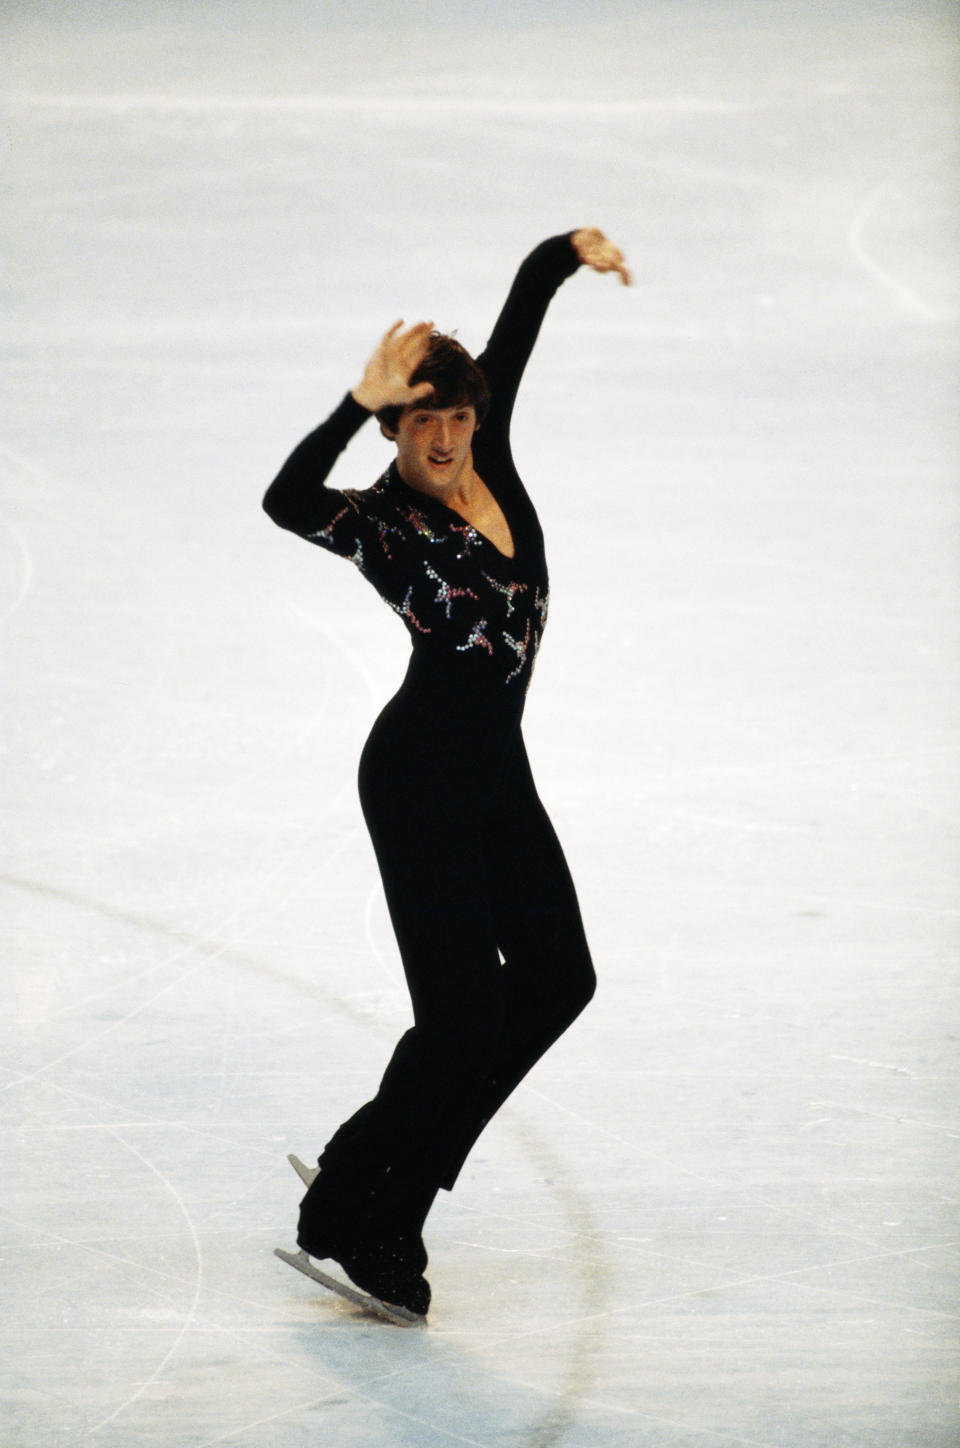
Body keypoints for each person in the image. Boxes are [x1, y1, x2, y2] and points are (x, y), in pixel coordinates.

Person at [264, 226, 631, 1318]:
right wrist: (348, 401)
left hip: (495, 775)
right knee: (462, 1018)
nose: (450, 438)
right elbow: (285, 500)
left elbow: (516, 319)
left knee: (560, 977)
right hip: (418, 778)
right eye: (426, 422)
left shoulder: (493, 456)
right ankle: (377, 1207)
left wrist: (568, 250)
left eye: (461, 418)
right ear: (396, 426)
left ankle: (367, 1164)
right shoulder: (380, 524)